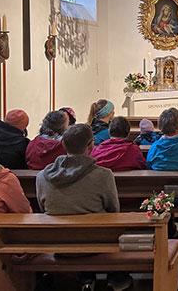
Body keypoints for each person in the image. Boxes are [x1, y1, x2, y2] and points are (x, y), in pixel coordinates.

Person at [36, 124, 130, 291]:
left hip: (56, 242)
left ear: (63, 144)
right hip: (96, 243)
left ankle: (86, 277)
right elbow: (113, 211)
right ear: (91, 145)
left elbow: (43, 208)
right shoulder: (103, 175)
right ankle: (116, 278)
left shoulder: (42, 176)